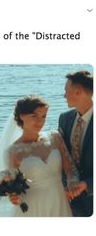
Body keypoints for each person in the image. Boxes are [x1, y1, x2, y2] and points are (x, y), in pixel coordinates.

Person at [0, 95, 86, 217]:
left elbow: (70, 169)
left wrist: (72, 183)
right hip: (32, 207)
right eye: (34, 116)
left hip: (59, 202)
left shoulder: (55, 137)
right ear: (22, 116)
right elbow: (14, 185)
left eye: (43, 116)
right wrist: (13, 196)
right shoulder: (13, 151)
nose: (40, 121)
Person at [59, 70, 93, 216]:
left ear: (78, 92)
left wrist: (87, 184)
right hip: (68, 198)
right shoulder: (64, 119)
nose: (64, 95)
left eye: (66, 91)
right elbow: (61, 153)